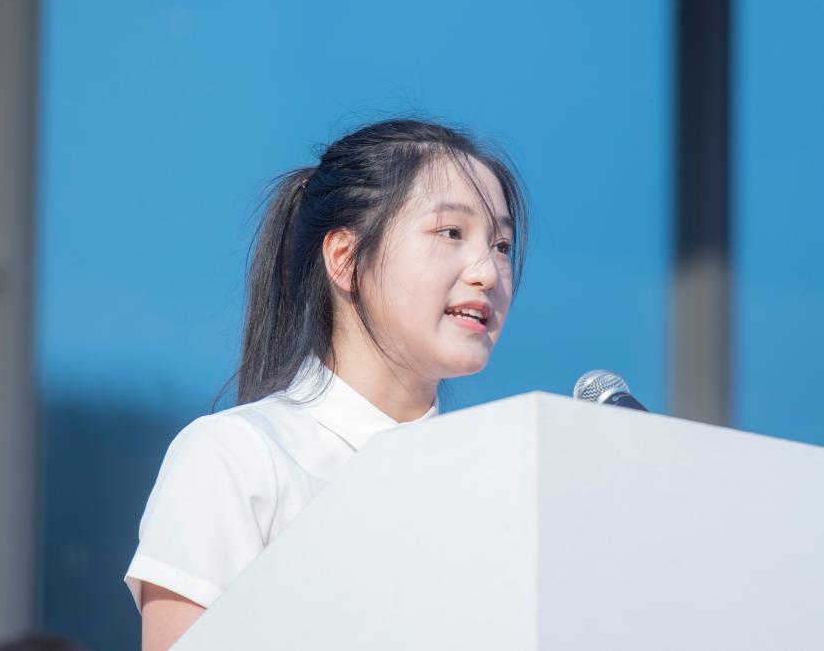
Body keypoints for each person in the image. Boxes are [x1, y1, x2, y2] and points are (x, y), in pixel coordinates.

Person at [124, 118, 530, 650]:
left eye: (501, 244)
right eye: (451, 233)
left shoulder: (497, 489)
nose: (487, 272)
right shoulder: (238, 458)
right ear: (345, 258)